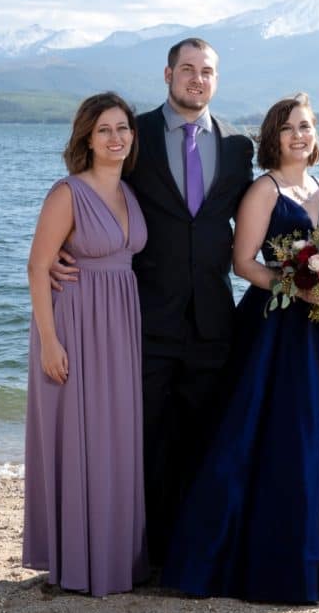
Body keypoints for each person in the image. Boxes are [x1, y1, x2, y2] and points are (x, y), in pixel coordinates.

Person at [51, 38, 254, 567]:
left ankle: (198, 554)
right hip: (141, 318)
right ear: (167, 75)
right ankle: (149, 555)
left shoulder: (238, 147)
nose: (197, 79)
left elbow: (255, 221)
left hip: (213, 319)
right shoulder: (132, 132)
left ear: (217, 78)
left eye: (206, 71)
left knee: (205, 440)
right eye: (187, 69)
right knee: (146, 442)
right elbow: (90, 194)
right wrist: (56, 255)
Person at [161, 94, 319, 604]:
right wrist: (296, 286)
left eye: (306, 126)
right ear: (272, 138)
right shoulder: (265, 189)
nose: (299, 135)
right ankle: (270, 554)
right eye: (288, 128)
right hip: (278, 331)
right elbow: (243, 262)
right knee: (282, 436)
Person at [23, 92, 148, 596]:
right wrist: (49, 343)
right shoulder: (67, 193)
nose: (116, 138)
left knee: (115, 436)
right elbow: (37, 266)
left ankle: (116, 558)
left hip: (119, 324)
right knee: (78, 436)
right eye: (104, 130)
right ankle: (76, 561)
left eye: (123, 128)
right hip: (74, 324)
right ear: (86, 139)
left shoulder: (131, 193)